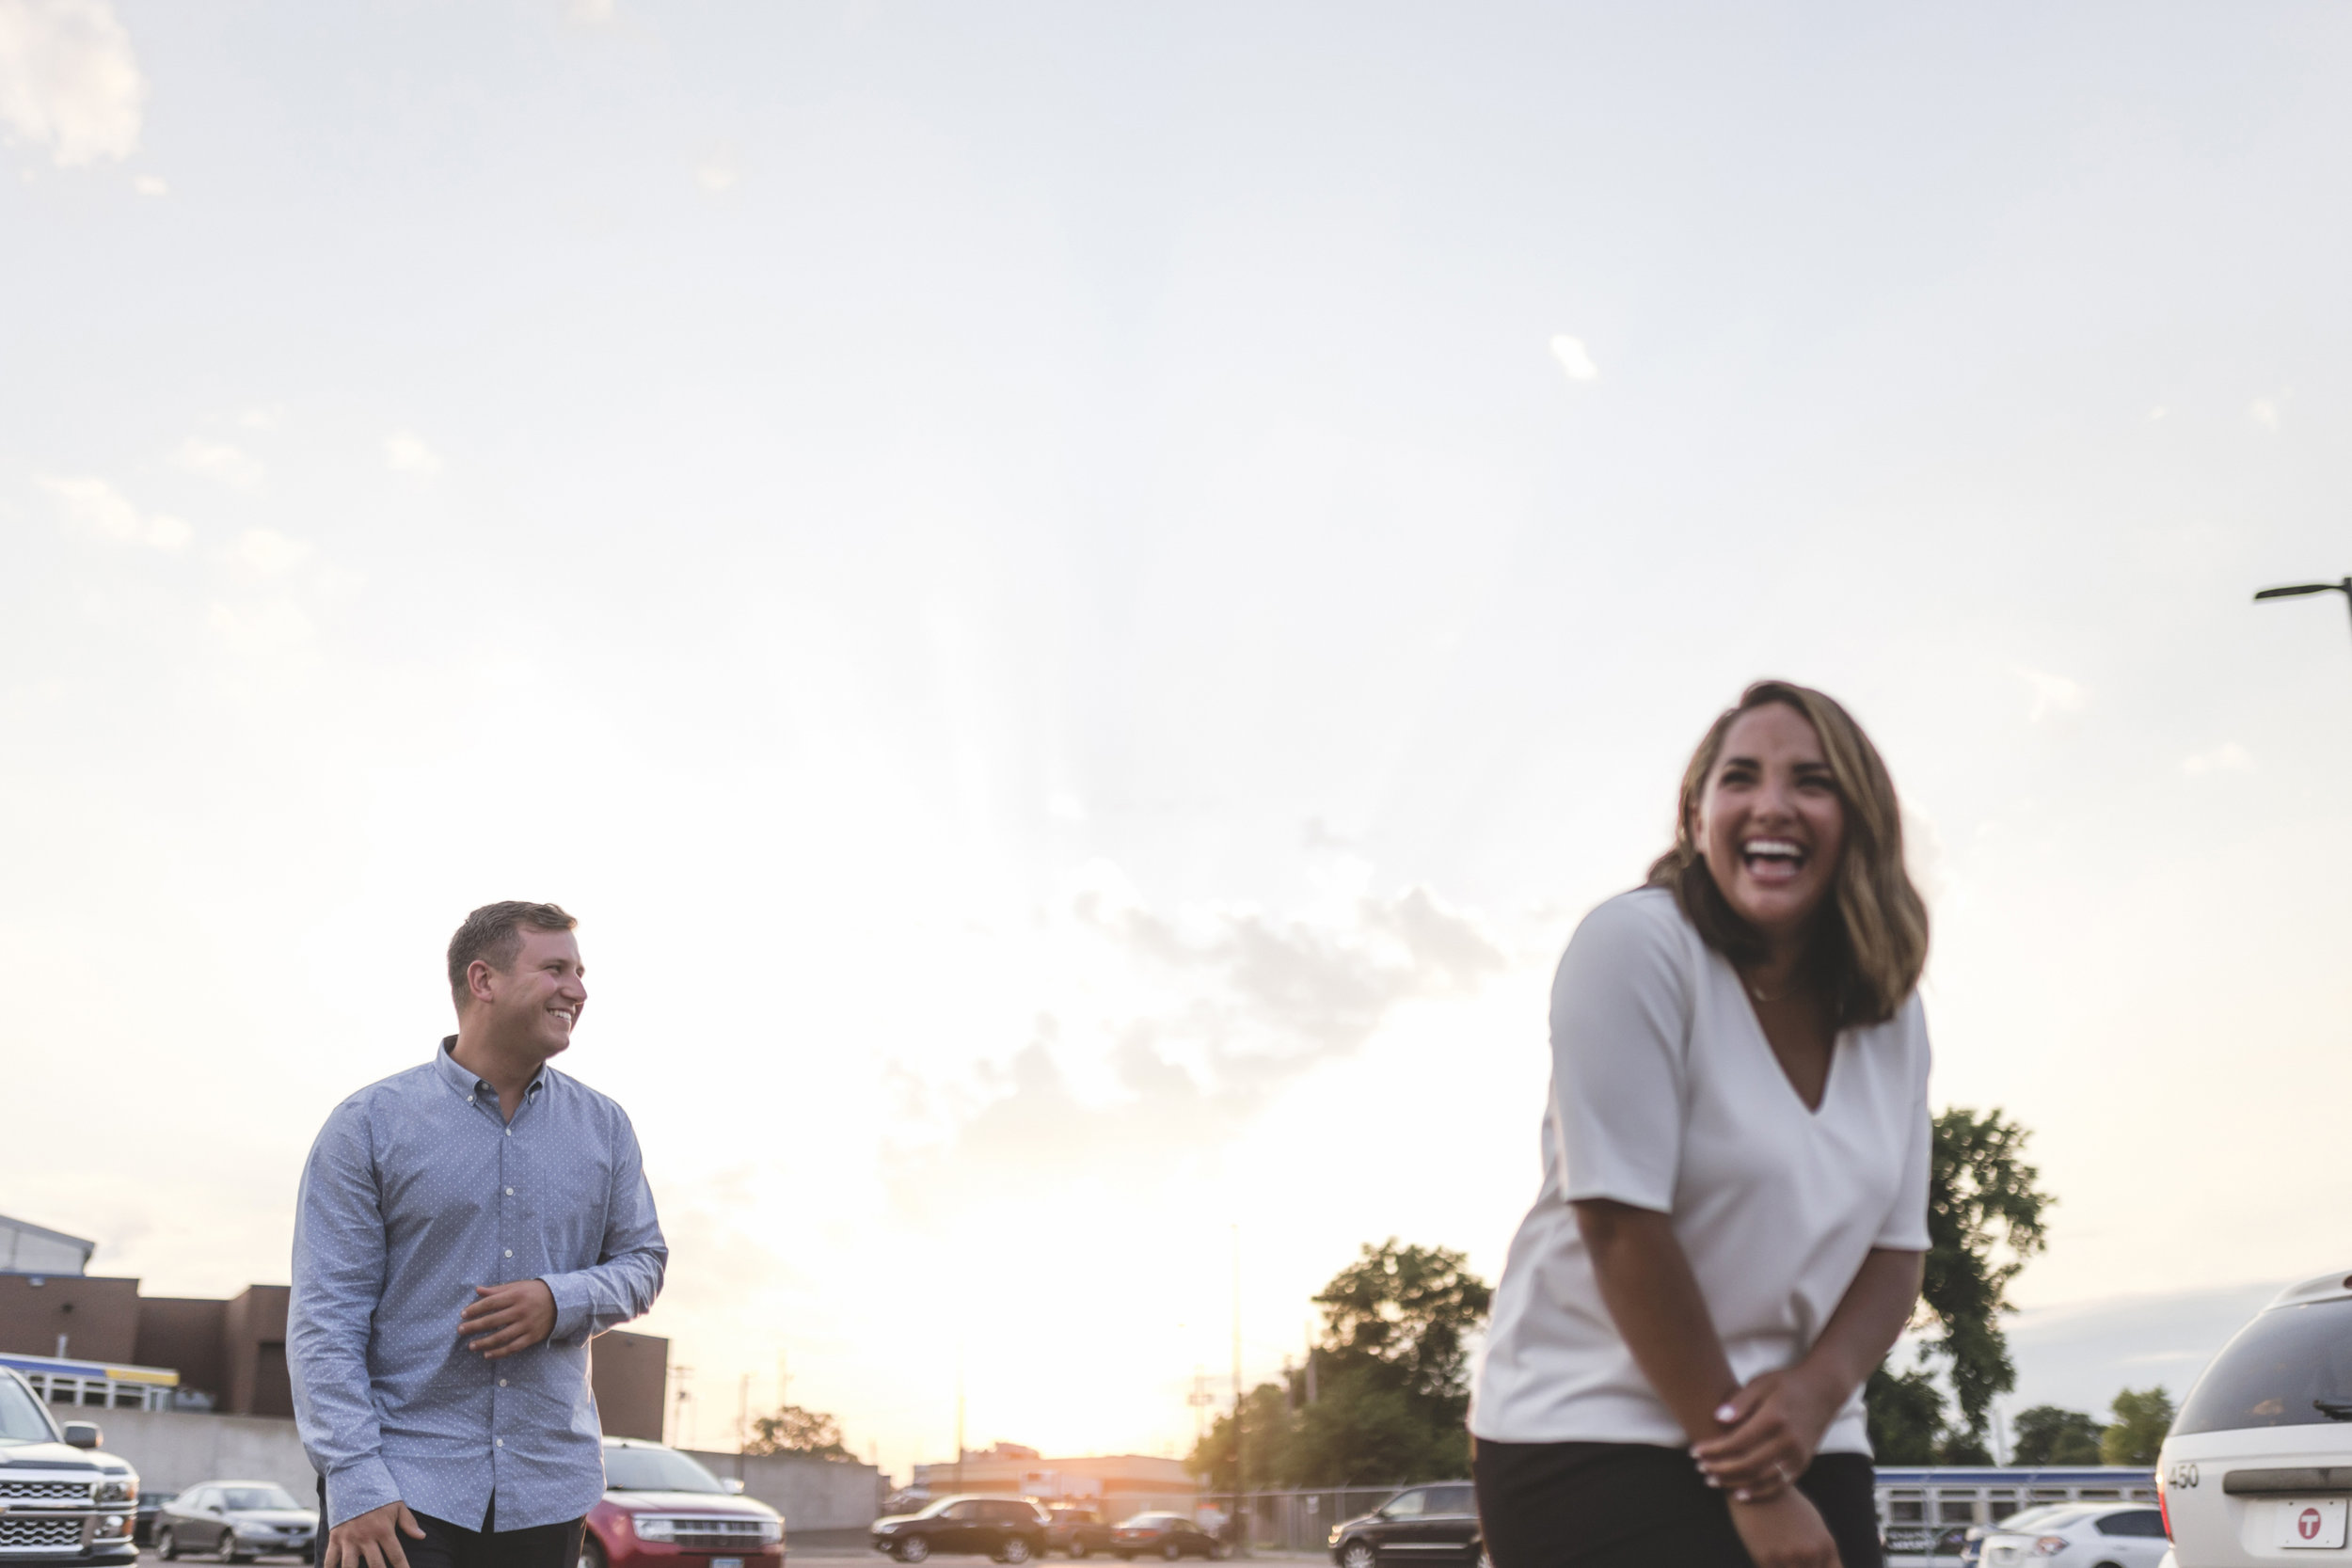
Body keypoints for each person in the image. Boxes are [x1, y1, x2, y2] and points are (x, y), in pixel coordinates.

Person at [1469, 682, 1932, 1568]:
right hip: (1595, 1421)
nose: (1772, 804)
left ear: (1859, 818)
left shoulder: (1891, 1010)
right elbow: (1617, 1222)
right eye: (1741, 778)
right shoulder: (1635, 947)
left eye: (1812, 781)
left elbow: (1896, 1251)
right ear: (1697, 815)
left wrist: (1815, 1390)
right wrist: (1753, 1487)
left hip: (1806, 1428)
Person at [290, 902, 668, 1568]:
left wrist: (561, 1299)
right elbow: (326, 1316)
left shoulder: (605, 1127)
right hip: (402, 1493)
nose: (576, 988)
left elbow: (644, 1261)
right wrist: (352, 1477)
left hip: (548, 1492)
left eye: (580, 971)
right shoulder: (368, 1125)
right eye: (554, 968)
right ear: (483, 980)